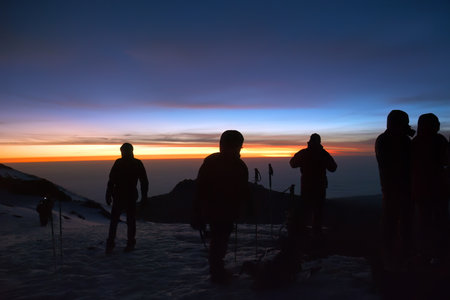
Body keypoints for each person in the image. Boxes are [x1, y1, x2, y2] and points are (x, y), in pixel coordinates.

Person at [192, 130, 250, 283]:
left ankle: (217, 270)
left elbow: (200, 187)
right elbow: (243, 190)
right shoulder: (238, 165)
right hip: (224, 210)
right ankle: (217, 273)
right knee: (220, 240)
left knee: (219, 239)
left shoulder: (211, 161)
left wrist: (198, 210)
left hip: (214, 209)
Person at [375, 110, 415, 269]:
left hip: (401, 188)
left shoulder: (394, 139)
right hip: (394, 188)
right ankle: (391, 256)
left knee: (402, 222)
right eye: (404, 123)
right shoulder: (388, 140)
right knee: (392, 222)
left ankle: (400, 254)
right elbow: (399, 163)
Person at [411, 113, 449, 262]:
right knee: (440, 221)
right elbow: (445, 160)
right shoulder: (439, 140)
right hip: (438, 188)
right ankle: (440, 253)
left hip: (421, 188)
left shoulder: (415, 143)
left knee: (424, 221)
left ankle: (425, 252)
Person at [289, 133, 337, 237]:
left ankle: (302, 232)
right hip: (320, 186)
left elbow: (292, 163)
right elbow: (333, 167)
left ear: (310, 141)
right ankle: (316, 233)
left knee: (305, 209)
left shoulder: (304, 153)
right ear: (319, 142)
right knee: (318, 211)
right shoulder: (324, 154)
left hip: (307, 186)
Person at [105, 143, 149, 254]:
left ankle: (114, 244)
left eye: (124, 151)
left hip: (122, 195)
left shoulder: (120, 162)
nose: (123, 153)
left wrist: (109, 194)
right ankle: (127, 243)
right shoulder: (135, 163)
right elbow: (144, 181)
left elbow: (111, 181)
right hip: (126, 195)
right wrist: (144, 197)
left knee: (118, 221)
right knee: (128, 220)